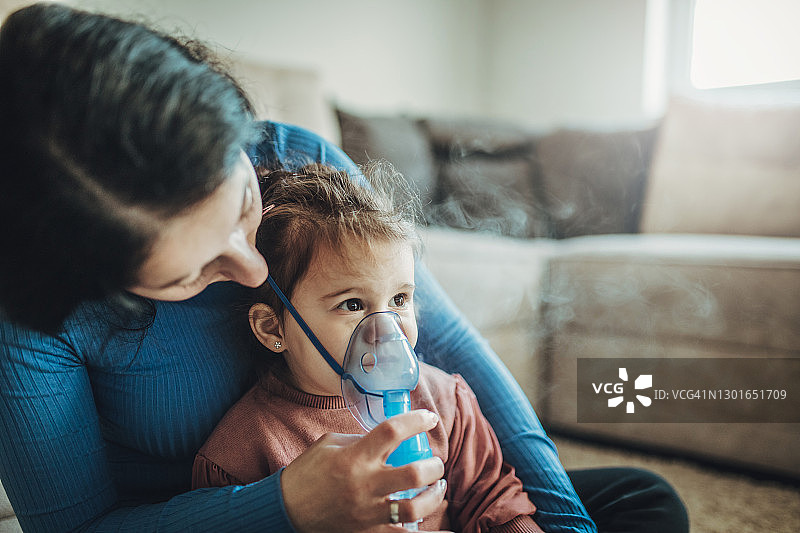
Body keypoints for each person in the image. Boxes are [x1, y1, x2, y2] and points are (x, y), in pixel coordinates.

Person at [0, 3, 688, 533]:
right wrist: (286, 505)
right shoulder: (31, 312)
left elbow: (448, 345)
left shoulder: (295, 159)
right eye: (192, 272)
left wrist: (565, 518)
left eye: (244, 205)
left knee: (641, 498)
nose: (250, 270)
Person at [192, 163, 544, 532]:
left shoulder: (443, 401)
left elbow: (494, 501)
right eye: (352, 305)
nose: (384, 330)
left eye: (399, 299)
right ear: (272, 326)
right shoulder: (242, 451)